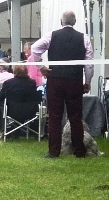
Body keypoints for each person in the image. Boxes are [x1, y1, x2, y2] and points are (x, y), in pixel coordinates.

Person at [31, 10, 93, 158]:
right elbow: (89, 64)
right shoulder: (84, 38)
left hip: (55, 80)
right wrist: (87, 82)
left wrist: (42, 67)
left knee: (54, 117)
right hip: (74, 80)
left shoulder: (51, 35)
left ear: (61, 22)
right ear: (75, 22)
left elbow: (35, 49)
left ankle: (54, 151)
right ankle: (79, 151)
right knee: (76, 117)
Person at [0, 65, 43, 135]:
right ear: (26, 71)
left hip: (12, 111)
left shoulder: (8, 83)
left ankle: (3, 130)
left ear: (14, 71)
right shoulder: (32, 83)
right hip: (30, 112)